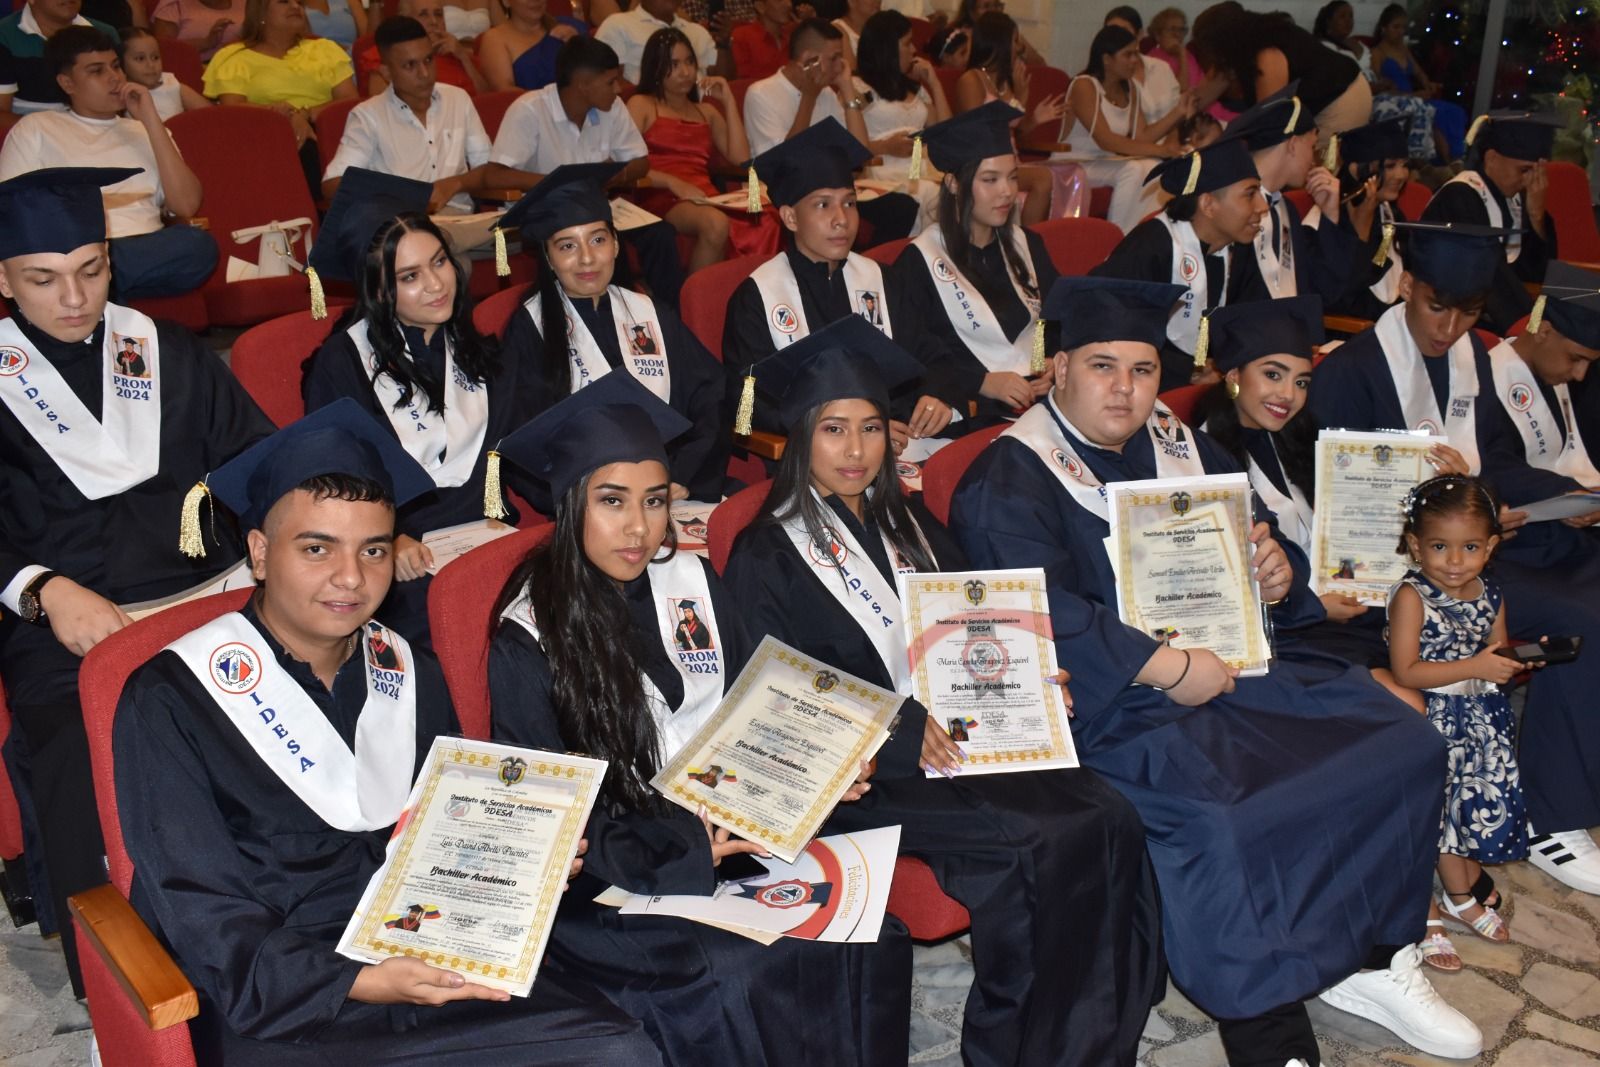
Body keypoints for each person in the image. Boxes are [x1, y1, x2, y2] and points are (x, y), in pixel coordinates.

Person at [951, 274, 1480, 1065]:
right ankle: (1268, 1024)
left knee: (1400, 743)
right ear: (1058, 368)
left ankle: (1372, 957)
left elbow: (1261, 537)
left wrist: (1277, 575)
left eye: (1143, 369)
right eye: (1102, 366)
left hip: (1236, 673)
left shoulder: (1182, 444)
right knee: (1229, 812)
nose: (1125, 390)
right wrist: (1163, 666)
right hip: (1113, 710)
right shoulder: (1011, 475)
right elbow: (1035, 611)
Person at [113, 399, 663, 1066]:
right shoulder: (173, 697)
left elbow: (445, 838)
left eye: (373, 549)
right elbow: (202, 910)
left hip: (421, 955)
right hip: (282, 1002)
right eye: (317, 548)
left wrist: (523, 860)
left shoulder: (407, 671)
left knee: (623, 1042)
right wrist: (362, 980)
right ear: (259, 552)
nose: (351, 577)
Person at [724, 314, 1161, 1067]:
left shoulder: (908, 521)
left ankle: (1097, 1037)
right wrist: (895, 727)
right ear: (799, 438)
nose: (856, 451)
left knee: (1110, 815)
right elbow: (775, 696)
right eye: (833, 430)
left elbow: (976, 619)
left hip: (959, 739)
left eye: (871, 428)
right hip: (868, 772)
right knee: (1035, 846)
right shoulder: (766, 552)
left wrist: (1030, 670)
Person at [487, 371, 912, 1065]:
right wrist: (682, 847)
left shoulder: (691, 582)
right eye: (612, 501)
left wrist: (825, 758)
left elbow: (762, 702)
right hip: (617, 874)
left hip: (730, 831)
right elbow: (549, 814)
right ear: (568, 504)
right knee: (744, 972)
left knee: (873, 934)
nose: (639, 527)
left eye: (655, 500)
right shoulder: (531, 635)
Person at [0, 166, 273, 994]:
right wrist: (43, 589)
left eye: (91, 269)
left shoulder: (166, 351)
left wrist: (278, 535)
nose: (74, 297)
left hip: (210, 587)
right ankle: (125, 982)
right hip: (68, 614)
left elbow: (254, 460)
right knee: (77, 744)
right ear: (4, 281)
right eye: (43, 279)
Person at [1309, 222, 1600, 901]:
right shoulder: (1353, 371)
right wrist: (1446, 503)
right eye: (1437, 306)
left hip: (1469, 555)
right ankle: (1552, 818)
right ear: (1407, 285)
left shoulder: (1473, 357)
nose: (1449, 328)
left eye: (1468, 312)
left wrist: (1515, 497)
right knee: (1579, 616)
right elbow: (1337, 501)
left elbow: (1491, 454)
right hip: (1403, 576)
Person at [301, 169, 524, 644]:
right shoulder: (343, 364)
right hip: (400, 553)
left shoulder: (480, 350)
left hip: (485, 534)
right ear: (380, 290)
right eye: (410, 276)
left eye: (439, 262)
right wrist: (387, 538)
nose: (437, 284)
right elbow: (338, 477)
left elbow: (524, 448)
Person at [723, 119, 965, 450]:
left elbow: (935, 357)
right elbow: (746, 405)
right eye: (823, 205)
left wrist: (937, 395)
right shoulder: (757, 297)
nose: (842, 219)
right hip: (813, 461)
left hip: (903, 446)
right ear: (790, 217)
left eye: (849, 203)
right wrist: (853, 430)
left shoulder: (881, 281)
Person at [501, 163, 727, 503]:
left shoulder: (649, 313)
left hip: (667, 486)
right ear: (548, 258)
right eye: (567, 246)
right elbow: (522, 438)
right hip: (586, 500)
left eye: (598, 239)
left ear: (616, 245)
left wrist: (682, 474)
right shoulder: (530, 329)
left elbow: (711, 395)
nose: (587, 259)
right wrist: (582, 498)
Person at [1387, 475, 1525, 958]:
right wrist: (1476, 667)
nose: (1454, 561)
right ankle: (1422, 908)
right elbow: (1405, 670)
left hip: (1481, 718)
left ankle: (1459, 895)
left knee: (1464, 814)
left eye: (1469, 547)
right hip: (1432, 720)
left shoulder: (1492, 592)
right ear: (1415, 546)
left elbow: (1495, 651)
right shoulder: (1412, 597)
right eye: (1439, 546)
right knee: (1433, 816)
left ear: (1490, 546)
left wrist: (1515, 661)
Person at [0, 26, 218, 300]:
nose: (115, 78)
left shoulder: (147, 130)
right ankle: (100, 285)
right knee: (71, 263)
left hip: (148, 248)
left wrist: (150, 119)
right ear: (67, 83)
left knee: (197, 245)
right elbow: (11, 210)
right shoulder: (36, 128)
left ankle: (99, 287)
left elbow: (186, 205)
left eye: (116, 66)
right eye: (97, 71)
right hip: (75, 247)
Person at [890, 102, 1061, 429]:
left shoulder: (1026, 245)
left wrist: (1048, 362)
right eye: (990, 179)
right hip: (974, 417)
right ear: (954, 183)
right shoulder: (919, 262)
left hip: (1041, 404)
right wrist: (981, 382)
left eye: (1012, 177)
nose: (1007, 192)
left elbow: (1051, 323)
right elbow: (911, 354)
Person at [487, 36, 687, 307]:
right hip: (544, 213)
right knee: (606, 241)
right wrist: (558, 183)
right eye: (610, 82)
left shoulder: (612, 107)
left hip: (596, 206)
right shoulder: (530, 110)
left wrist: (610, 176)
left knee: (660, 233)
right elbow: (495, 175)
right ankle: (615, 315)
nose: (618, 89)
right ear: (583, 85)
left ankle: (667, 316)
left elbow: (640, 162)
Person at [1090, 137, 1266, 390]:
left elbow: (1248, 320)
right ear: (1208, 204)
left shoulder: (1238, 249)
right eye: (1250, 194)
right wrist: (1186, 371)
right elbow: (1114, 332)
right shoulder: (1150, 248)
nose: (1262, 206)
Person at [741, 18, 918, 242]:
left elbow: (860, 150)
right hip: (789, 192)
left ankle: (866, 261)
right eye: (834, 58)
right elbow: (781, 163)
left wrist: (846, 86)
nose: (841, 66)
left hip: (831, 187)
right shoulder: (761, 93)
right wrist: (809, 97)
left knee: (903, 207)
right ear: (808, 60)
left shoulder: (826, 93)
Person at [627, 26, 778, 269]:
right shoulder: (642, 104)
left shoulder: (706, 111)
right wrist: (673, 183)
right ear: (655, 68)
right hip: (660, 193)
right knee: (715, 223)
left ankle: (747, 286)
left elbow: (740, 158)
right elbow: (626, 164)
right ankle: (698, 292)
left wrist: (728, 99)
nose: (685, 72)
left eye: (689, 62)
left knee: (766, 217)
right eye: (674, 64)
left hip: (705, 195)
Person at [324, 17, 492, 215]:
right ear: (386, 72)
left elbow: (489, 168)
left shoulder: (458, 99)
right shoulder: (368, 116)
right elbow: (333, 185)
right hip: (403, 223)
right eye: (410, 65)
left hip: (461, 220)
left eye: (428, 60)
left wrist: (455, 183)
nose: (424, 73)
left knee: (507, 229)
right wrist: (403, 192)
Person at [1219, 81, 1358, 307]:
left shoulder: (1286, 211)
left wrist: (1330, 217)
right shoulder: (1232, 207)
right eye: (1312, 146)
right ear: (1293, 144)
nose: (1314, 159)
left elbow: (1324, 292)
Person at [1422, 110, 1561, 335]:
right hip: (1452, 316)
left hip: (1494, 316)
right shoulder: (1460, 196)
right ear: (1492, 158)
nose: (1529, 181)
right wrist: (1530, 328)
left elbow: (1536, 275)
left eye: (1536, 173)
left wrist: (1537, 215)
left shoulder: (1518, 199)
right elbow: (1488, 273)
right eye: (1524, 170)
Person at [202, 0, 358, 192]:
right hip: (264, 135)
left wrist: (305, 114)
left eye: (299, 2)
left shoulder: (325, 49)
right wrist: (285, 116)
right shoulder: (234, 56)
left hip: (324, 130)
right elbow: (231, 108)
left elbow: (349, 100)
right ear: (260, 13)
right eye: (284, 1)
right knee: (299, 147)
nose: (295, 6)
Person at [1191, 5, 1370, 151]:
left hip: (1341, 100)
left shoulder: (1266, 54)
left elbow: (1270, 124)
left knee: (1315, 168)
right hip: (1338, 92)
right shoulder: (1239, 53)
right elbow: (1199, 98)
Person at [1063, 24, 1186, 234]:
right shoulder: (1084, 85)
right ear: (1106, 59)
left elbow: (1142, 136)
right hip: (1074, 162)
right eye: (1128, 55)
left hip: (1105, 162)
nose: (1135, 60)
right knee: (1133, 169)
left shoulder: (1130, 88)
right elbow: (1106, 140)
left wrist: (1178, 112)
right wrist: (1162, 150)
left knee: (1153, 167)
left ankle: (1138, 235)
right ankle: (1115, 236)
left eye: (1136, 54)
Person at [951, 12, 1062, 225]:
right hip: (982, 160)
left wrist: (1035, 119)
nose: (1019, 48)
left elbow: (1015, 130)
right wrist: (1020, 98)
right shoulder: (971, 79)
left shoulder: (1003, 82)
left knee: (1066, 173)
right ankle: (1027, 239)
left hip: (1008, 159)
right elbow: (979, 130)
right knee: (1043, 179)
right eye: (1015, 40)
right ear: (1000, 42)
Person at [1323, 116, 1412, 320]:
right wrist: (1361, 230)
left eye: (1405, 165)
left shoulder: (1389, 213)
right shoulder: (1331, 218)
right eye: (1390, 166)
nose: (1401, 175)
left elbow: (1381, 261)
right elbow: (1341, 296)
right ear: (1357, 170)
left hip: (1389, 318)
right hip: (1352, 327)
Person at [852, 9, 950, 185]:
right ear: (887, 49)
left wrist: (934, 83)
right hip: (880, 175)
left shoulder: (915, 89)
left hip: (917, 172)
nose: (914, 50)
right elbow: (845, 146)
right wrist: (886, 146)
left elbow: (945, 134)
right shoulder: (859, 87)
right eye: (907, 43)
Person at [0, 0, 120, 131]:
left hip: (99, 131)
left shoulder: (104, 33)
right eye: (96, 70)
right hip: (32, 134)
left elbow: (117, 103)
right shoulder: (4, 35)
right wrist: (58, 133)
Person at [1369, 4, 1465, 162]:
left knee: (1455, 111)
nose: (1400, 32)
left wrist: (1428, 85)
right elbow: (1379, 88)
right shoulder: (1377, 53)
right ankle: (1445, 160)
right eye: (1396, 27)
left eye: (1403, 28)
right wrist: (1414, 95)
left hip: (1417, 97)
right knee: (1436, 113)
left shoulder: (1403, 49)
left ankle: (1455, 158)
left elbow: (1419, 73)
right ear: (1383, 28)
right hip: (1397, 101)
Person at [358, 0, 487, 96]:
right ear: (405, 20)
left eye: (438, 14)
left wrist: (464, 58)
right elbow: (384, 110)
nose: (434, 21)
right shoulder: (386, 55)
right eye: (423, 14)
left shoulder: (458, 53)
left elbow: (487, 100)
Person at [595, 0, 716, 83]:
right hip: (646, 107)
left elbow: (721, 79)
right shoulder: (618, 25)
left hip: (701, 106)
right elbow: (607, 84)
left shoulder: (697, 31)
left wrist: (723, 45)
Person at [1102, 5, 1184, 125]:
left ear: (1139, 34)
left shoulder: (1161, 67)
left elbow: (1178, 113)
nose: (1117, 38)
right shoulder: (1106, 77)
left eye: (1124, 31)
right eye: (1111, 32)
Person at [477, 0, 584, 91]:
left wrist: (577, 46)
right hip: (532, 107)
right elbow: (505, 92)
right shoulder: (495, 38)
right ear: (506, 2)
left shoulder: (567, 27)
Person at [119, 26, 211, 119]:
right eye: (140, 59)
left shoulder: (172, 84)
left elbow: (211, 114)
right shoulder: (120, 93)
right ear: (121, 62)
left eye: (155, 57)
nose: (151, 65)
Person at [151, 0, 243, 61]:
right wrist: (206, 43)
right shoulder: (174, 4)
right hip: (193, 72)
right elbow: (163, 50)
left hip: (241, 67)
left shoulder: (247, 3)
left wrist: (241, 44)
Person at [728, 0, 791, 80]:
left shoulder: (793, 34)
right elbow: (741, 81)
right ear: (760, 7)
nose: (788, 4)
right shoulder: (743, 36)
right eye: (779, 0)